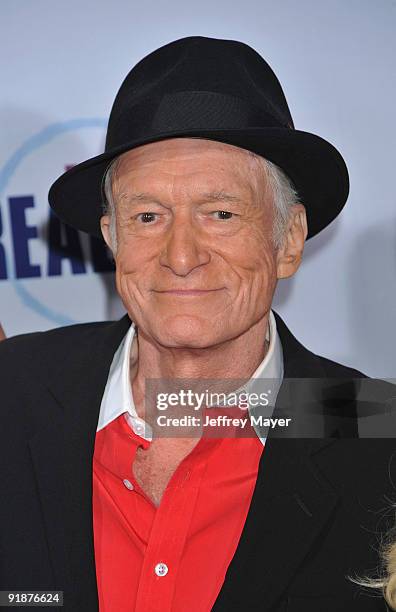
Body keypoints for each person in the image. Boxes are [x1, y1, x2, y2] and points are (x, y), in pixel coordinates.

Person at [0, 36, 395, 612]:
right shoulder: (14, 391)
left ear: (288, 241)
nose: (181, 255)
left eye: (221, 214)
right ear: (112, 239)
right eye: (148, 216)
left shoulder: (375, 431)